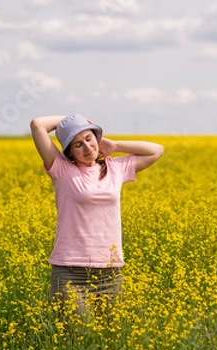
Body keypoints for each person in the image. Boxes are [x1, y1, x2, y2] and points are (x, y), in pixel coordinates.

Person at [30, 114, 164, 318]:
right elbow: (37, 125)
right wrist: (71, 119)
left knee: (108, 342)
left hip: (109, 272)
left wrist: (116, 145)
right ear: (69, 152)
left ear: (97, 138)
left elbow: (157, 150)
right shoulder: (62, 170)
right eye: (77, 145)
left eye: (88, 138)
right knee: (77, 338)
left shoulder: (115, 169)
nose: (86, 147)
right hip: (70, 272)